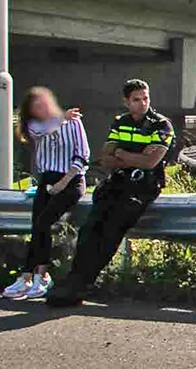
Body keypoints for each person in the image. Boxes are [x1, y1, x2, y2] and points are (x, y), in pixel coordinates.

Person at [47, 79, 173, 307]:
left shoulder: (161, 124)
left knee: (110, 232)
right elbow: (105, 158)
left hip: (143, 187)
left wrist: (122, 154)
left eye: (146, 98)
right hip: (117, 183)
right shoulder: (121, 122)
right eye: (137, 100)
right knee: (89, 230)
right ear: (126, 102)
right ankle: (73, 280)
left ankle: (82, 284)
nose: (143, 103)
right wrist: (133, 157)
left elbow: (150, 162)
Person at [3, 87, 89, 300]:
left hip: (71, 179)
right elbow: (41, 132)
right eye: (36, 107)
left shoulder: (74, 122)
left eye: (44, 104)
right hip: (47, 179)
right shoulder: (35, 126)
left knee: (44, 222)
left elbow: (83, 156)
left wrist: (63, 182)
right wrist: (61, 118)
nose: (42, 109)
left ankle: (41, 276)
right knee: (38, 226)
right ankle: (27, 276)